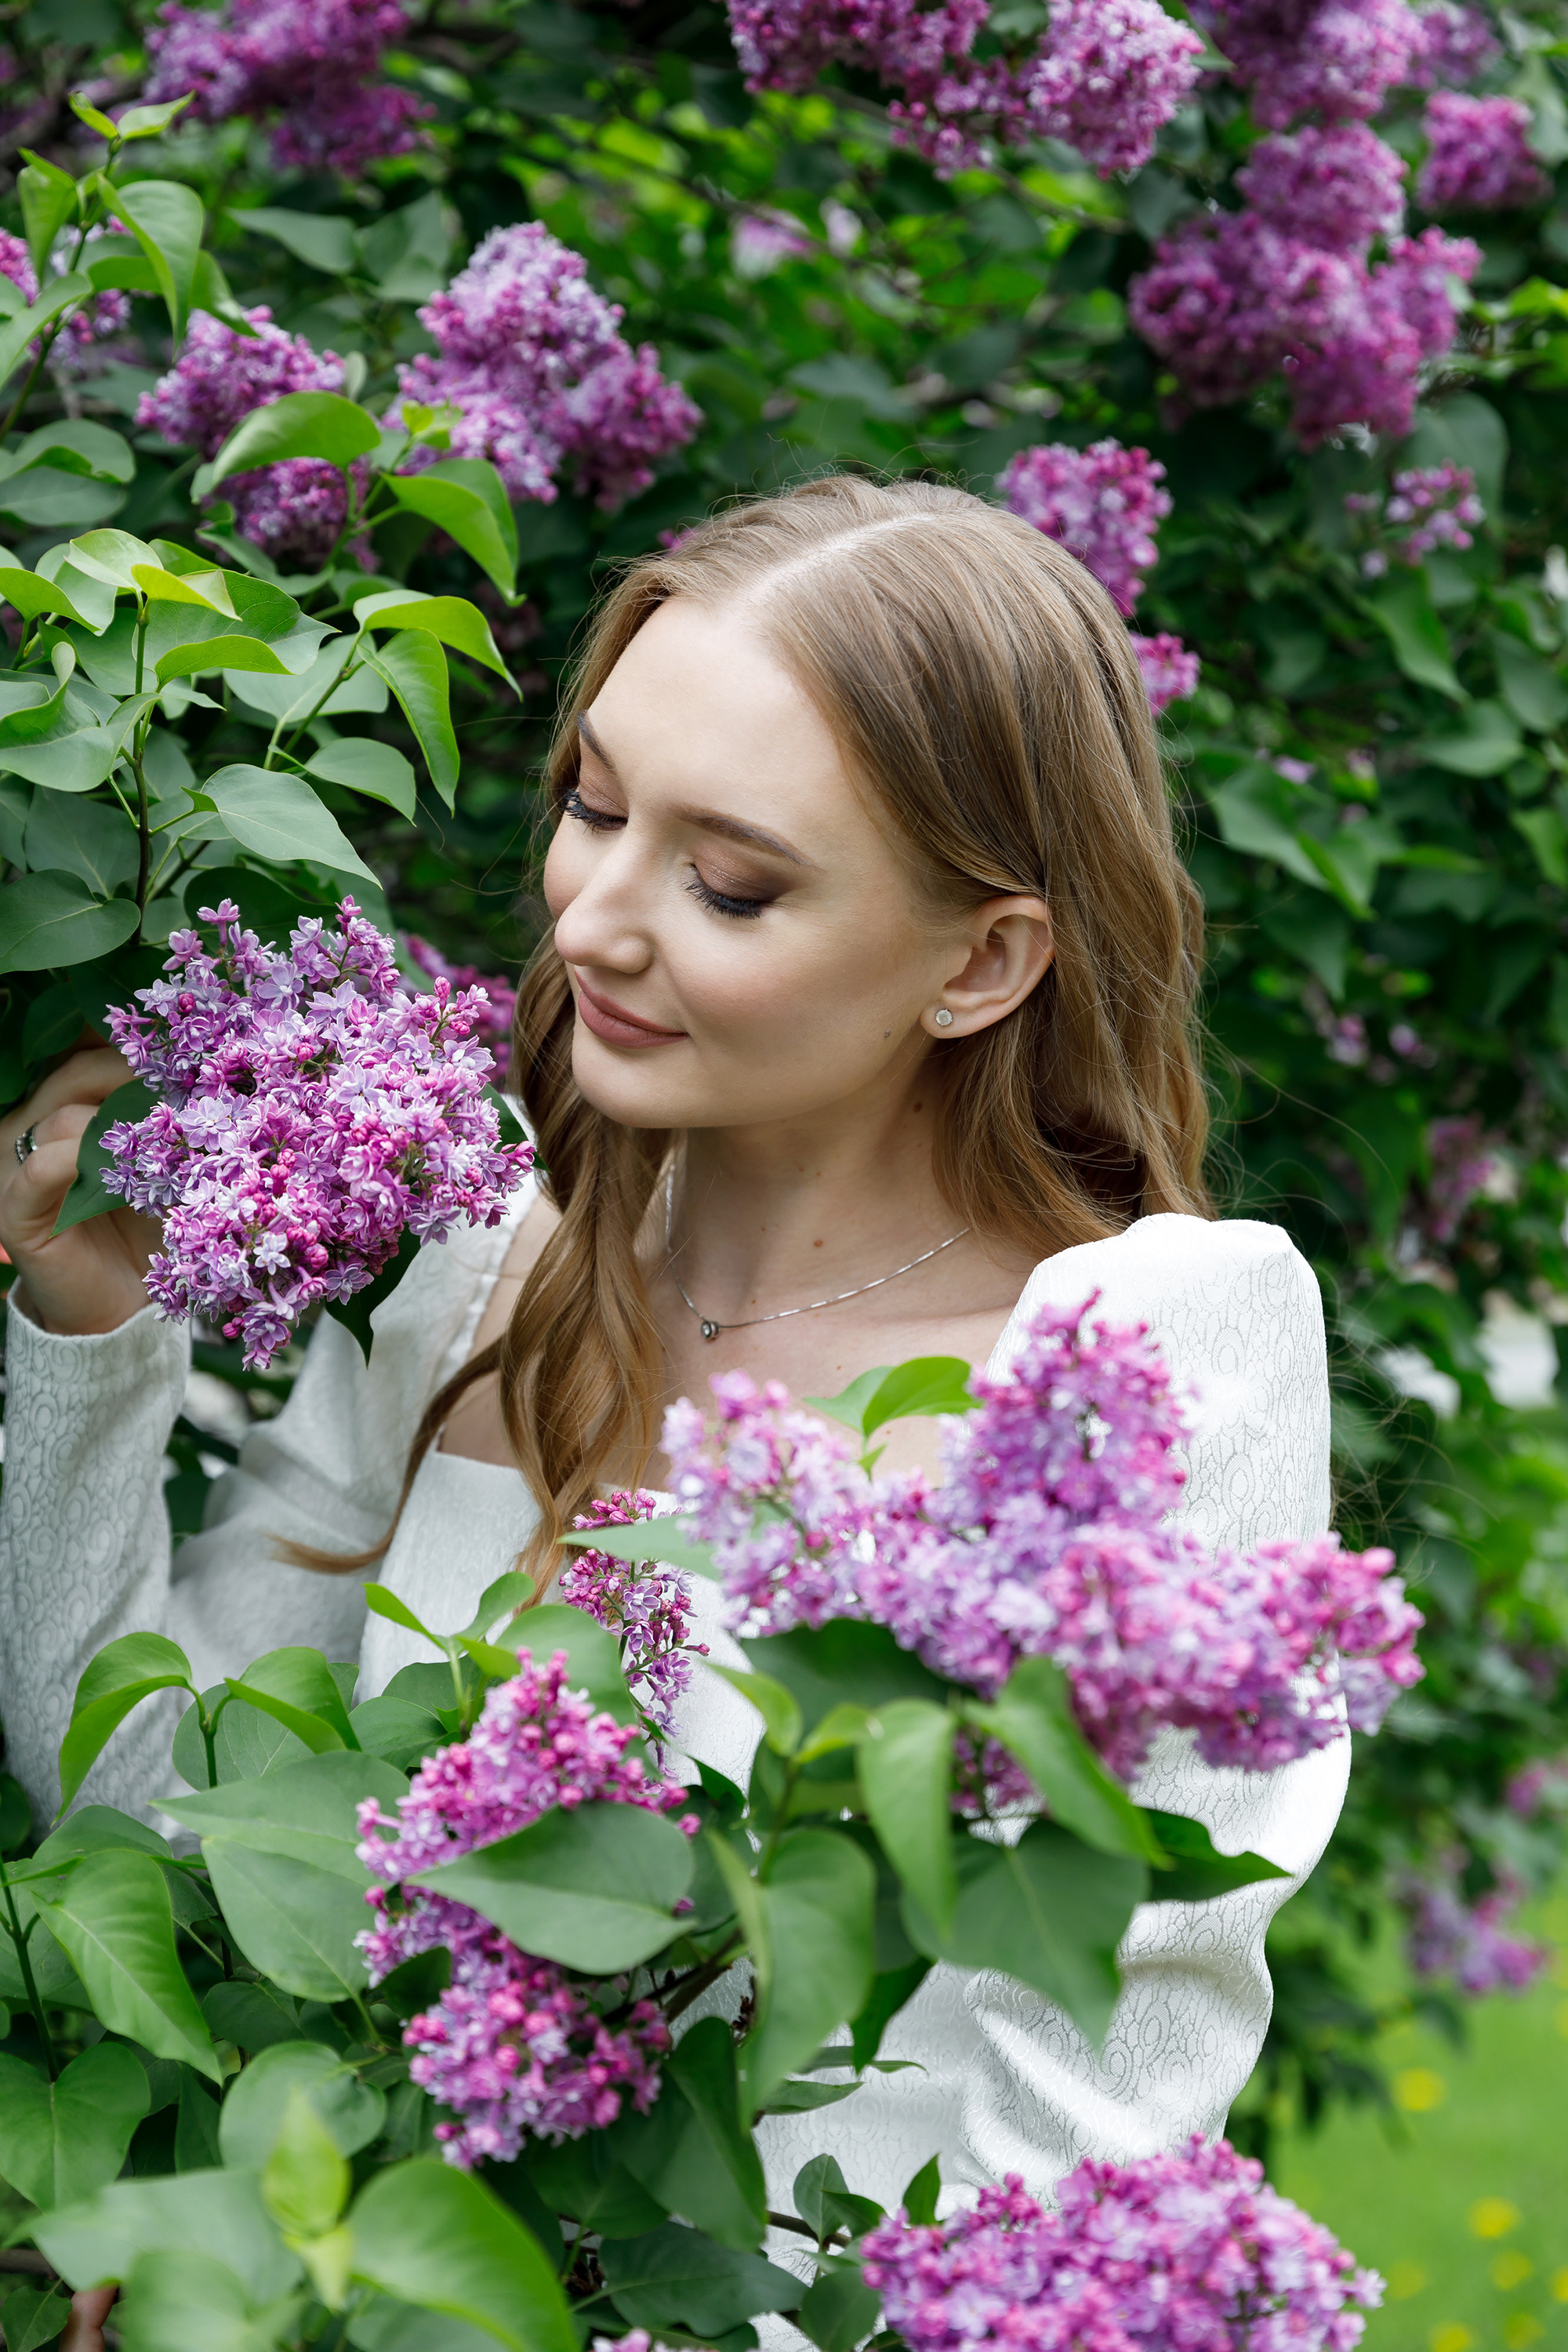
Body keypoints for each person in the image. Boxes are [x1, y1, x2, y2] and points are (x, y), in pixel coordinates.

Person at [0, 476, 1345, 2259]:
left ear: (981, 961)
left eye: (729, 883)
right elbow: (166, 1829)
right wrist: (96, 1335)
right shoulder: (484, 1271)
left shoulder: (1127, 1359)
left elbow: (1101, 2106)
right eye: (593, 804)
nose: (590, 922)